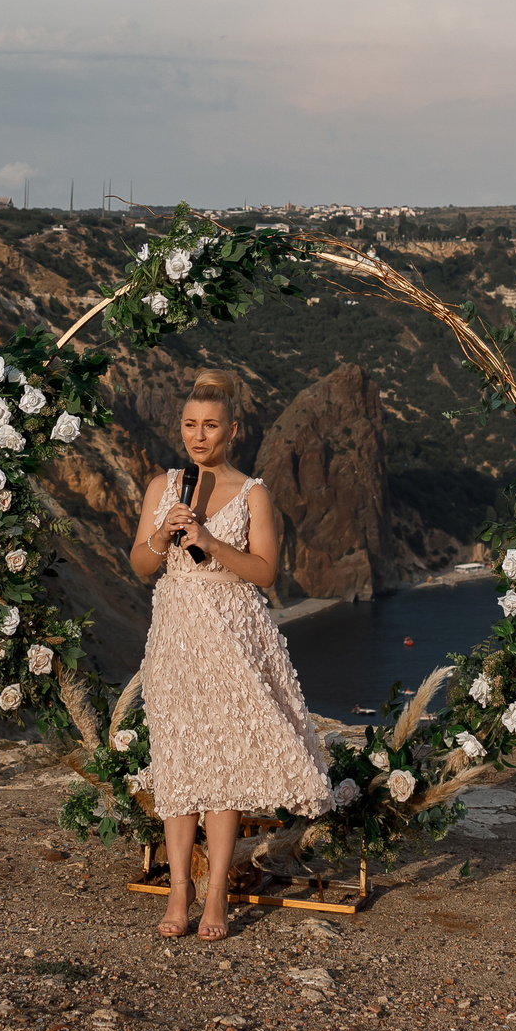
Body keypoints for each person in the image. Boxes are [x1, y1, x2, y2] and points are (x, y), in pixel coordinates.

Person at [126, 370, 333, 940]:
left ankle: (215, 892)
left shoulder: (253, 492)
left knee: (222, 769)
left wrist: (212, 543)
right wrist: (163, 537)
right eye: (190, 425)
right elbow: (142, 566)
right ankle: (179, 891)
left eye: (210, 426)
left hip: (230, 637)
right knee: (179, 761)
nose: (198, 435)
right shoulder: (162, 487)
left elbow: (265, 573)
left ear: (232, 430)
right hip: (175, 637)